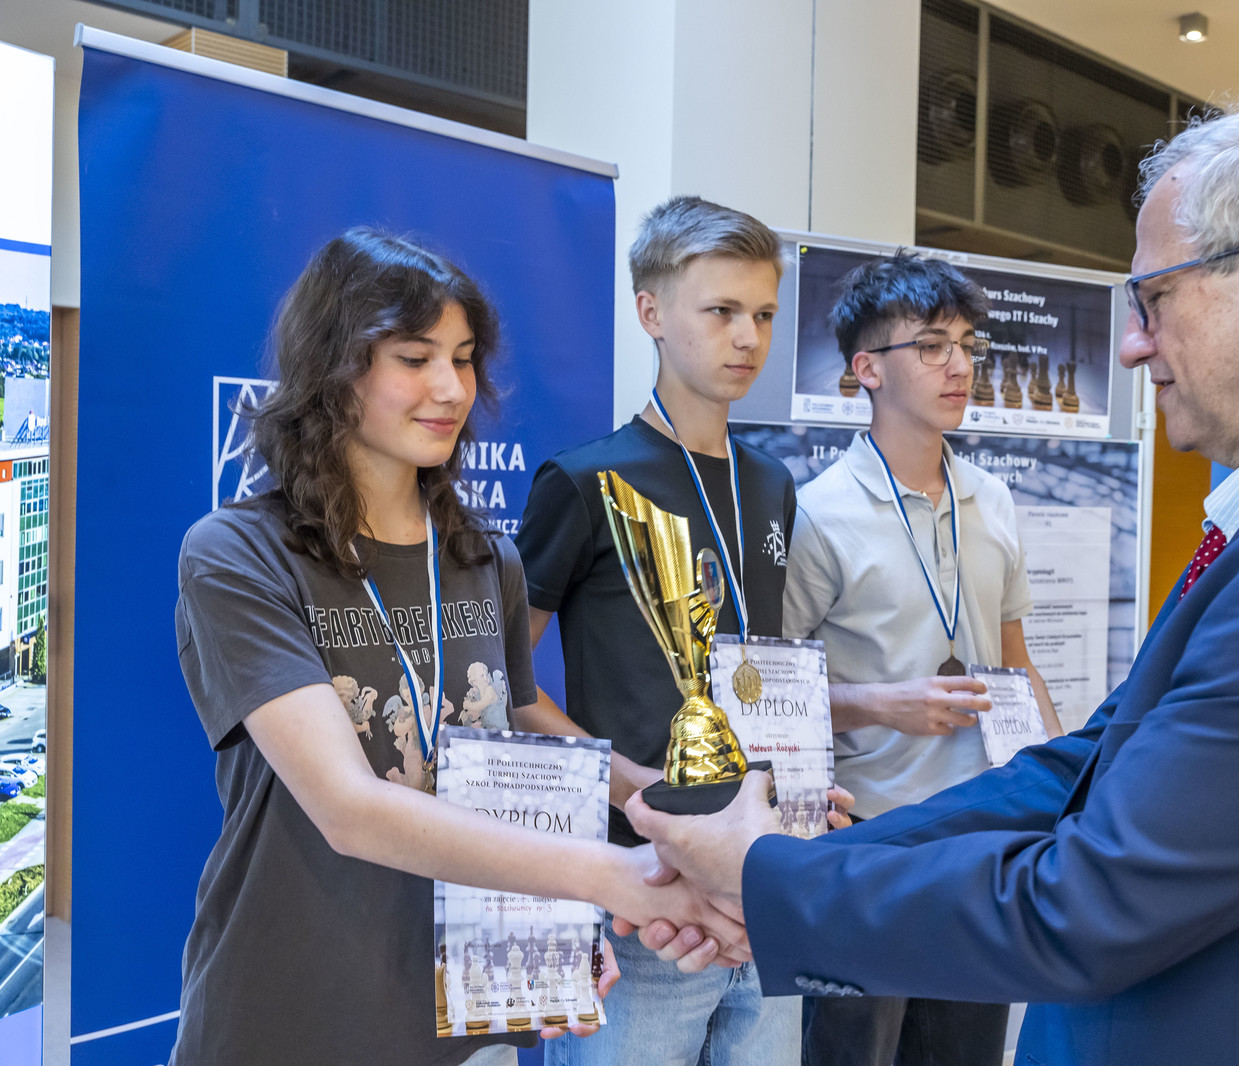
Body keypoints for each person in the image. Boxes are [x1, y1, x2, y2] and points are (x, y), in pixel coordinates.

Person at [627, 96, 1239, 1065]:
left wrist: (767, 882)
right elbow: (1088, 766)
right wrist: (787, 866)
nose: (1132, 344)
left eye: (1153, 300)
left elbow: (1084, 904)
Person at [172, 228, 742, 1066]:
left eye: (464, 359)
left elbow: (516, 719)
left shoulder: (484, 558)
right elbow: (348, 807)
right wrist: (608, 875)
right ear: (332, 368)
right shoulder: (239, 554)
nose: (450, 388)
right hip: (295, 1009)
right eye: (414, 357)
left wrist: (674, 812)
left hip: (467, 1013)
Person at [513, 195, 848, 1066]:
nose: (748, 338)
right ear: (652, 313)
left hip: (762, 882)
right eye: (722, 311)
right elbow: (503, 685)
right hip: (643, 891)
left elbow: (763, 675)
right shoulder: (584, 482)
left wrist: (800, 782)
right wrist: (637, 789)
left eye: (764, 315)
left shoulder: (771, 483)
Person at [775, 250, 1062, 1066]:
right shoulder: (818, 513)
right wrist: (882, 703)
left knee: (968, 1051)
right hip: (871, 837)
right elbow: (772, 698)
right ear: (867, 368)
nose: (960, 366)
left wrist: (1060, 782)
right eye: (932, 346)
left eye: (968, 345)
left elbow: (1016, 659)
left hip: (985, 836)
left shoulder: (992, 498)